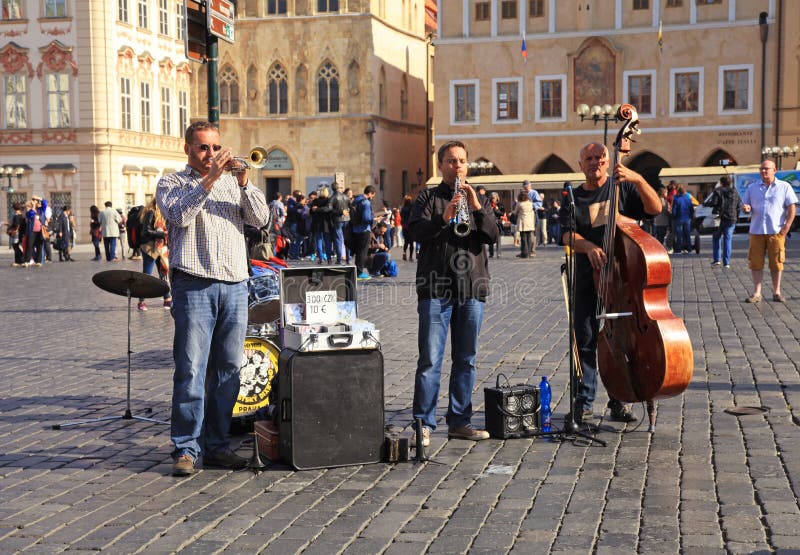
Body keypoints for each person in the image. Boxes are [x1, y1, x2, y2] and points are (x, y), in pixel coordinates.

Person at [156, 121, 270, 477]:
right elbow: (179, 215)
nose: (211, 154)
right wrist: (209, 180)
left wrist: (243, 182)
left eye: (215, 147)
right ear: (188, 148)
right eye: (203, 148)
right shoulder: (171, 183)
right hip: (195, 285)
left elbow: (262, 219)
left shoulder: (231, 182)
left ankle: (218, 444)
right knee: (191, 369)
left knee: (229, 371)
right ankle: (187, 448)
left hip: (235, 284)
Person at [557, 142, 661, 425]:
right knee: (586, 338)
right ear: (580, 165)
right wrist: (589, 246)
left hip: (624, 276)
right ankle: (585, 401)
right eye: (588, 158)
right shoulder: (572, 196)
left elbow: (655, 208)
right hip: (586, 275)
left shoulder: (623, 188)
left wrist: (638, 179)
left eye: (599, 158)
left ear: (607, 161)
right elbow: (566, 235)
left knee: (626, 339)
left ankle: (621, 399)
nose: (594, 162)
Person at [406, 140, 499, 446]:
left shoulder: (479, 199)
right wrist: (441, 218)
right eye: (450, 161)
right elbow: (413, 232)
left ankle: (460, 421)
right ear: (441, 166)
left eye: (461, 161)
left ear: (466, 165)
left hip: (471, 287)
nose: (457, 165)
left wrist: (474, 206)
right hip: (436, 287)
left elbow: (493, 234)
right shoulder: (427, 197)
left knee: (466, 358)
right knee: (431, 359)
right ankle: (424, 422)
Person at [741, 159, 797, 303]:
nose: (763, 171)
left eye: (766, 169)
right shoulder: (752, 188)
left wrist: (787, 226)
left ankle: (776, 292)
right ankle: (756, 293)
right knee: (755, 263)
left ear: (774, 170)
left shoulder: (784, 187)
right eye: (761, 169)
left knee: (777, 263)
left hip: (776, 231)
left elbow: (791, 207)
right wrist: (746, 208)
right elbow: (745, 204)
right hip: (756, 231)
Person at [137, 197, 172, 311]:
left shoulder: (163, 213)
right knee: (147, 275)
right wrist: (163, 234)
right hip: (149, 248)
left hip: (161, 248)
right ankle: (141, 301)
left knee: (164, 273)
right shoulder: (150, 212)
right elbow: (146, 231)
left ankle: (167, 299)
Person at [710, 176, 740, 269]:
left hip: (720, 218)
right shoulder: (735, 192)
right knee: (728, 240)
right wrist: (736, 217)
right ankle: (726, 263)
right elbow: (738, 205)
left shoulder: (717, 191)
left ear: (721, 182)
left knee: (716, 238)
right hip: (732, 218)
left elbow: (714, 203)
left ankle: (717, 260)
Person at [351, 185, 376, 279]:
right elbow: (366, 218)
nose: (372, 198)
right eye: (372, 195)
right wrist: (373, 220)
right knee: (363, 252)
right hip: (364, 230)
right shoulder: (366, 203)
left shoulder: (356, 200)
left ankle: (357, 271)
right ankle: (360, 273)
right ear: (370, 193)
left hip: (356, 229)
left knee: (358, 251)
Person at [330, 182, 350, 264]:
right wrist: (346, 211)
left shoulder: (333, 197)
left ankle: (339, 259)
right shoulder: (346, 196)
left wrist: (340, 212)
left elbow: (330, 209)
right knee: (347, 239)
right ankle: (348, 258)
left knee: (338, 240)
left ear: (332, 188)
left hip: (338, 220)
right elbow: (350, 206)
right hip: (347, 219)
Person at [512, 191, 535, 258]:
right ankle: (529, 252)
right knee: (529, 238)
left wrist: (511, 213)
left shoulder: (520, 204)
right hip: (530, 222)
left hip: (523, 223)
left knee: (523, 238)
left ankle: (524, 253)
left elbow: (515, 212)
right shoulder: (530, 203)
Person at [670, 185, 693, 254]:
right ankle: (689, 249)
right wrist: (690, 216)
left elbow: (674, 210)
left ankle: (678, 250)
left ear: (677, 191)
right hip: (687, 219)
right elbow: (691, 209)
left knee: (678, 235)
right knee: (687, 234)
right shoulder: (688, 198)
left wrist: (673, 217)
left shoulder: (676, 198)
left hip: (679, 219)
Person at [522, 180, 543, 255]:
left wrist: (530, 205)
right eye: (525, 187)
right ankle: (525, 251)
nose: (526, 188)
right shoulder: (522, 193)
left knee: (532, 233)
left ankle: (532, 250)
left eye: (527, 187)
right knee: (523, 233)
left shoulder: (534, 193)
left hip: (532, 214)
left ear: (530, 186)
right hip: (523, 216)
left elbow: (539, 203)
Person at [9, 202, 26, 267]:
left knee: (15, 246)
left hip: (17, 233)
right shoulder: (21, 215)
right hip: (21, 232)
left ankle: (19, 260)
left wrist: (14, 230)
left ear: (14, 208)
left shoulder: (16, 215)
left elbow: (16, 225)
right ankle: (20, 259)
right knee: (16, 246)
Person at [400, 194, 415, 261]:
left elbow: (402, 217)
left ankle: (404, 253)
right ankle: (411, 257)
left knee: (406, 242)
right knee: (411, 243)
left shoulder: (403, 209)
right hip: (411, 226)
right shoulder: (412, 208)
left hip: (404, 227)